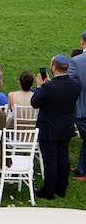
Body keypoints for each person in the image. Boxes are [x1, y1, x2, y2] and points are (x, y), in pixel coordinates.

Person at [31, 55, 82, 199]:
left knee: (51, 159)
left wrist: (40, 86)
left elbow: (35, 102)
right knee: (63, 156)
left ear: (53, 68)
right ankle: (61, 187)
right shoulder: (75, 84)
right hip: (66, 126)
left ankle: (49, 190)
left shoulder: (48, 88)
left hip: (50, 128)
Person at [69, 33, 86, 182]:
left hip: (81, 107)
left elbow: (66, 82)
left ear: (82, 42)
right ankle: (81, 169)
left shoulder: (76, 61)